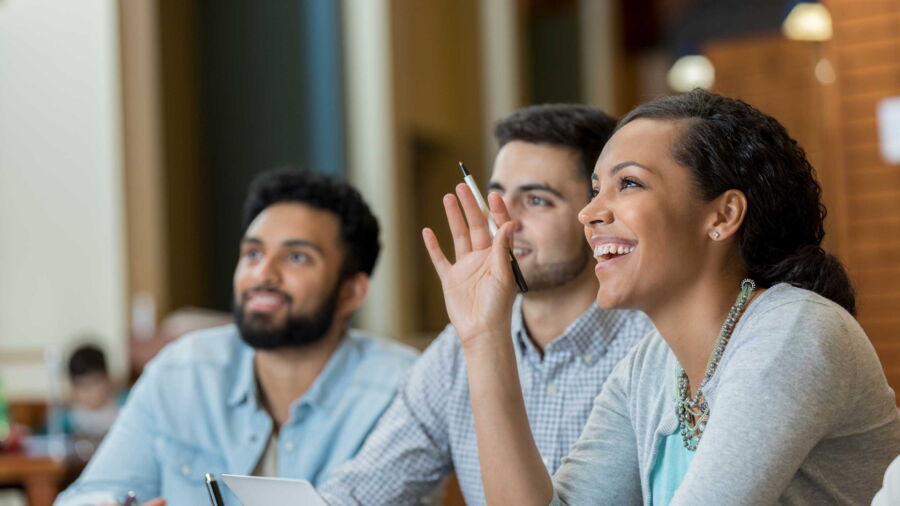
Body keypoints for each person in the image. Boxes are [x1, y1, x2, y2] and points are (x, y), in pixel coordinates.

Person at [422, 89, 900, 505]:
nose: (589, 212)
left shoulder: (794, 332)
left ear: (723, 215)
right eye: (594, 189)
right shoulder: (648, 367)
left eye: (628, 183)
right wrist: (484, 335)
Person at [319, 105, 654, 505]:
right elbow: (365, 489)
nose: (502, 221)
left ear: (598, 213)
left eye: (536, 200)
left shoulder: (652, 344)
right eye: (494, 196)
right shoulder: (457, 349)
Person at [56, 169, 418, 506]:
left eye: (296, 257)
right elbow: (90, 493)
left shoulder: (400, 390)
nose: (263, 273)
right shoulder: (182, 372)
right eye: (254, 253)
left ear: (350, 293)